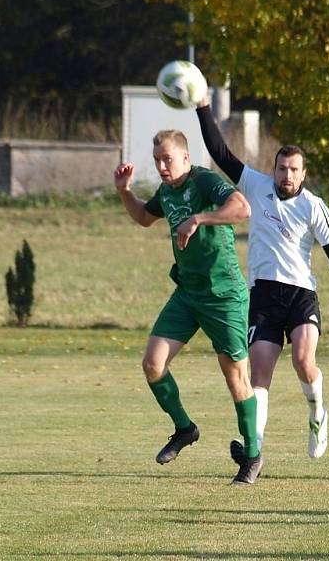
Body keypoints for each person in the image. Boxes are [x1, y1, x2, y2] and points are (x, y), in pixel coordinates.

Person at [195, 97, 329, 461]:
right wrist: (203, 107)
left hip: (301, 295)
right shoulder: (256, 187)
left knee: (304, 361)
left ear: (303, 174)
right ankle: (254, 450)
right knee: (259, 374)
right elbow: (220, 152)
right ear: (273, 169)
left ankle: (318, 414)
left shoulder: (314, 207)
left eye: (293, 170)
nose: (286, 176)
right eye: (282, 168)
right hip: (264, 296)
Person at [113, 128, 263, 485]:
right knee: (153, 364)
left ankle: (253, 455)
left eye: (168, 159)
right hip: (187, 294)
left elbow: (242, 208)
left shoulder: (205, 181)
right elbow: (143, 218)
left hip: (224, 294)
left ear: (185, 158)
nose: (162, 166)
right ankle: (185, 428)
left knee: (235, 377)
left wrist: (199, 218)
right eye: (157, 161)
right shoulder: (167, 191)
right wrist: (124, 192)